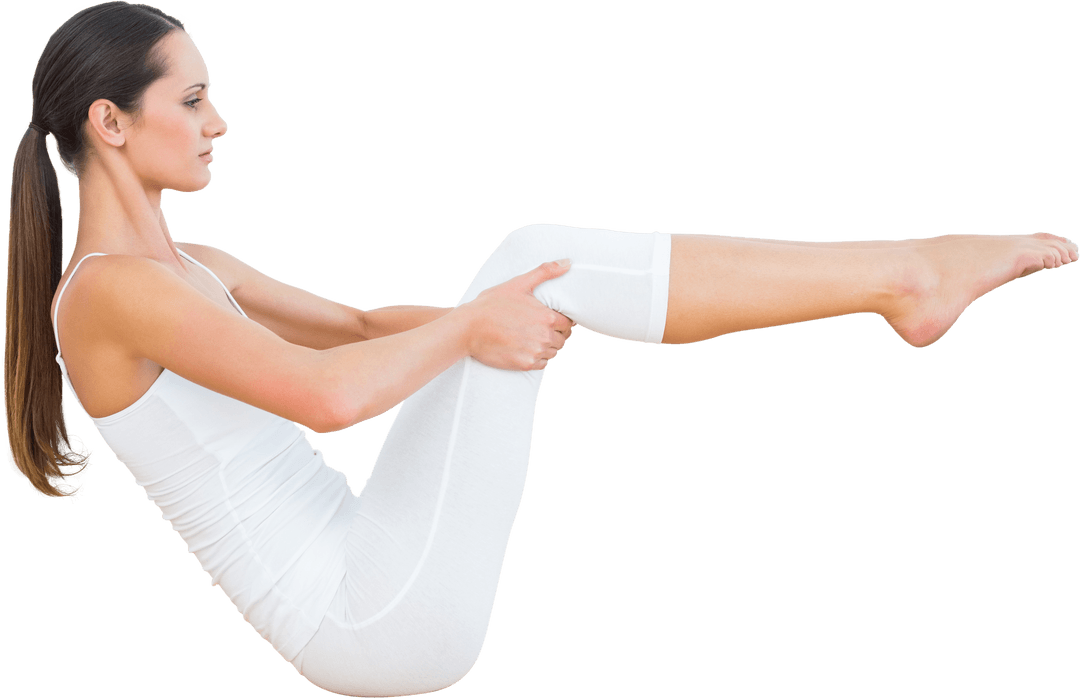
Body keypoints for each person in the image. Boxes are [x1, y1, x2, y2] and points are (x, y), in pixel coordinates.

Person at [5, 3, 1077, 697]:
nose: (218, 122)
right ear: (109, 121)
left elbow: (370, 327)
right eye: (192, 99)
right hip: (360, 616)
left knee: (538, 265)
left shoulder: (197, 267)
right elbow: (329, 396)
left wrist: (492, 306)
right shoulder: (103, 299)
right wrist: (483, 318)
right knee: (537, 255)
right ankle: (907, 276)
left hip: (372, 552)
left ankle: (901, 277)